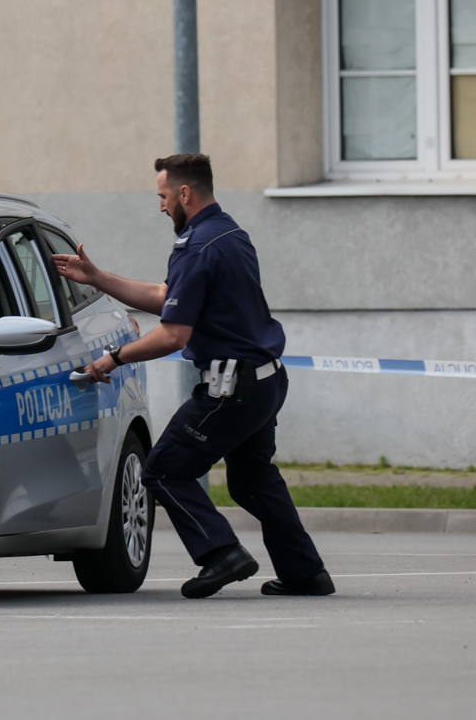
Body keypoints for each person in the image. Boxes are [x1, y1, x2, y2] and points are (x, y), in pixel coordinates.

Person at [53, 153, 334, 599]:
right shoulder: (228, 234)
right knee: (253, 481)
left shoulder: (196, 246)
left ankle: (221, 553)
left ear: (184, 193)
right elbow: (167, 295)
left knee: (164, 470)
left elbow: (173, 334)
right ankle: (305, 573)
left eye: (163, 196)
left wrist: (114, 358)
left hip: (231, 388)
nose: (161, 206)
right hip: (264, 381)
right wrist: (98, 277)